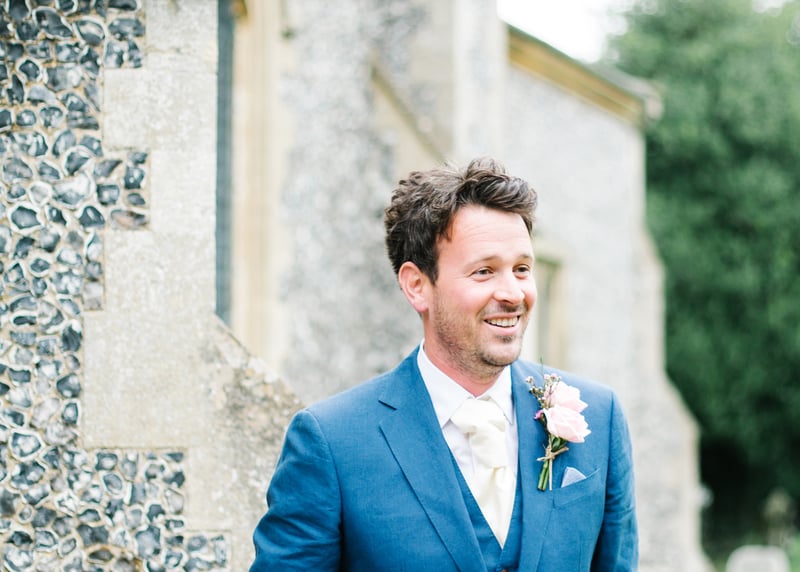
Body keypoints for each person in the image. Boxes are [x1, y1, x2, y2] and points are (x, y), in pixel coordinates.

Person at [249, 157, 638, 571]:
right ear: (417, 286)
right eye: (484, 271)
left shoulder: (599, 417)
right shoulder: (332, 443)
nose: (513, 293)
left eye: (522, 269)